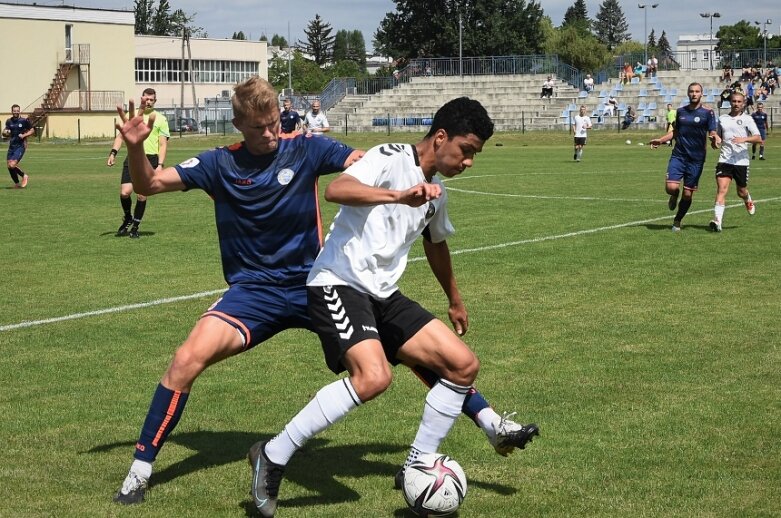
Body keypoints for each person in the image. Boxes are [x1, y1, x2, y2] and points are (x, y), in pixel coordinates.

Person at [111, 77, 537, 506]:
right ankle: (140, 470)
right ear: (238, 123)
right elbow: (148, 185)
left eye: (276, 122)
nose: (271, 134)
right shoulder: (217, 163)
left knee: (408, 353)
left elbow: (365, 163)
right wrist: (134, 147)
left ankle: (486, 419)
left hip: (315, 279)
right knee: (187, 359)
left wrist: (400, 178)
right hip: (254, 292)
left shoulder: (308, 147)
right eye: (259, 127)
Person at [248, 98, 501, 518]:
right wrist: (399, 196)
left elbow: (436, 245)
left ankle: (420, 461)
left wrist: (455, 300)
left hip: (383, 294)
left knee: (462, 366)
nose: (469, 161)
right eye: (467, 150)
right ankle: (272, 455)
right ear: (440, 138)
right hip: (338, 282)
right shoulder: (390, 156)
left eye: (474, 154)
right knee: (373, 377)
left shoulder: (437, 194)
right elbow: (336, 189)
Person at [650, 82, 721, 232]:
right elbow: (676, 132)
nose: (694, 94)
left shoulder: (708, 113)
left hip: (696, 159)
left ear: (701, 94)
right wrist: (661, 140)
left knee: (688, 194)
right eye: (691, 91)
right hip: (679, 155)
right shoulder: (681, 111)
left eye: (697, 91)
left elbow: (712, 132)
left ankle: (677, 220)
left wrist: (715, 138)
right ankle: (674, 195)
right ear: (688, 93)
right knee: (671, 187)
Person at [107, 88, 169, 238]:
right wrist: (113, 153)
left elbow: (163, 144)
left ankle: (135, 225)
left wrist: (160, 164)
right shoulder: (131, 116)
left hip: (150, 159)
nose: (148, 102)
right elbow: (120, 137)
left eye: (151, 100)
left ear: (155, 101)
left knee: (142, 194)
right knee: (125, 192)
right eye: (146, 99)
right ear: (142, 99)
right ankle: (128, 216)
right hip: (132, 157)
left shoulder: (160, 119)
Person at [709, 92, 762, 232]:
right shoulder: (723, 118)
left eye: (739, 101)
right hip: (725, 160)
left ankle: (747, 199)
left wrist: (743, 139)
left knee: (741, 191)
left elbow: (758, 138)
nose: (736, 104)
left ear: (743, 103)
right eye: (734, 101)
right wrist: (715, 141)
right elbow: (718, 138)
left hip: (741, 161)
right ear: (730, 102)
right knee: (722, 189)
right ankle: (717, 221)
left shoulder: (748, 119)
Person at [4, 104, 34, 188]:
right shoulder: (9, 121)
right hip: (12, 146)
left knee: (12, 164)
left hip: (21, 145)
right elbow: (7, 130)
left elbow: (32, 130)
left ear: (19, 111)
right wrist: (5, 133)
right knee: (9, 166)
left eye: (17, 111)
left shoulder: (24, 121)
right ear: (12, 111)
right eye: (14, 111)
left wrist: (24, 135)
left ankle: (24, 176)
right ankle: (17, 184)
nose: (16, 112)